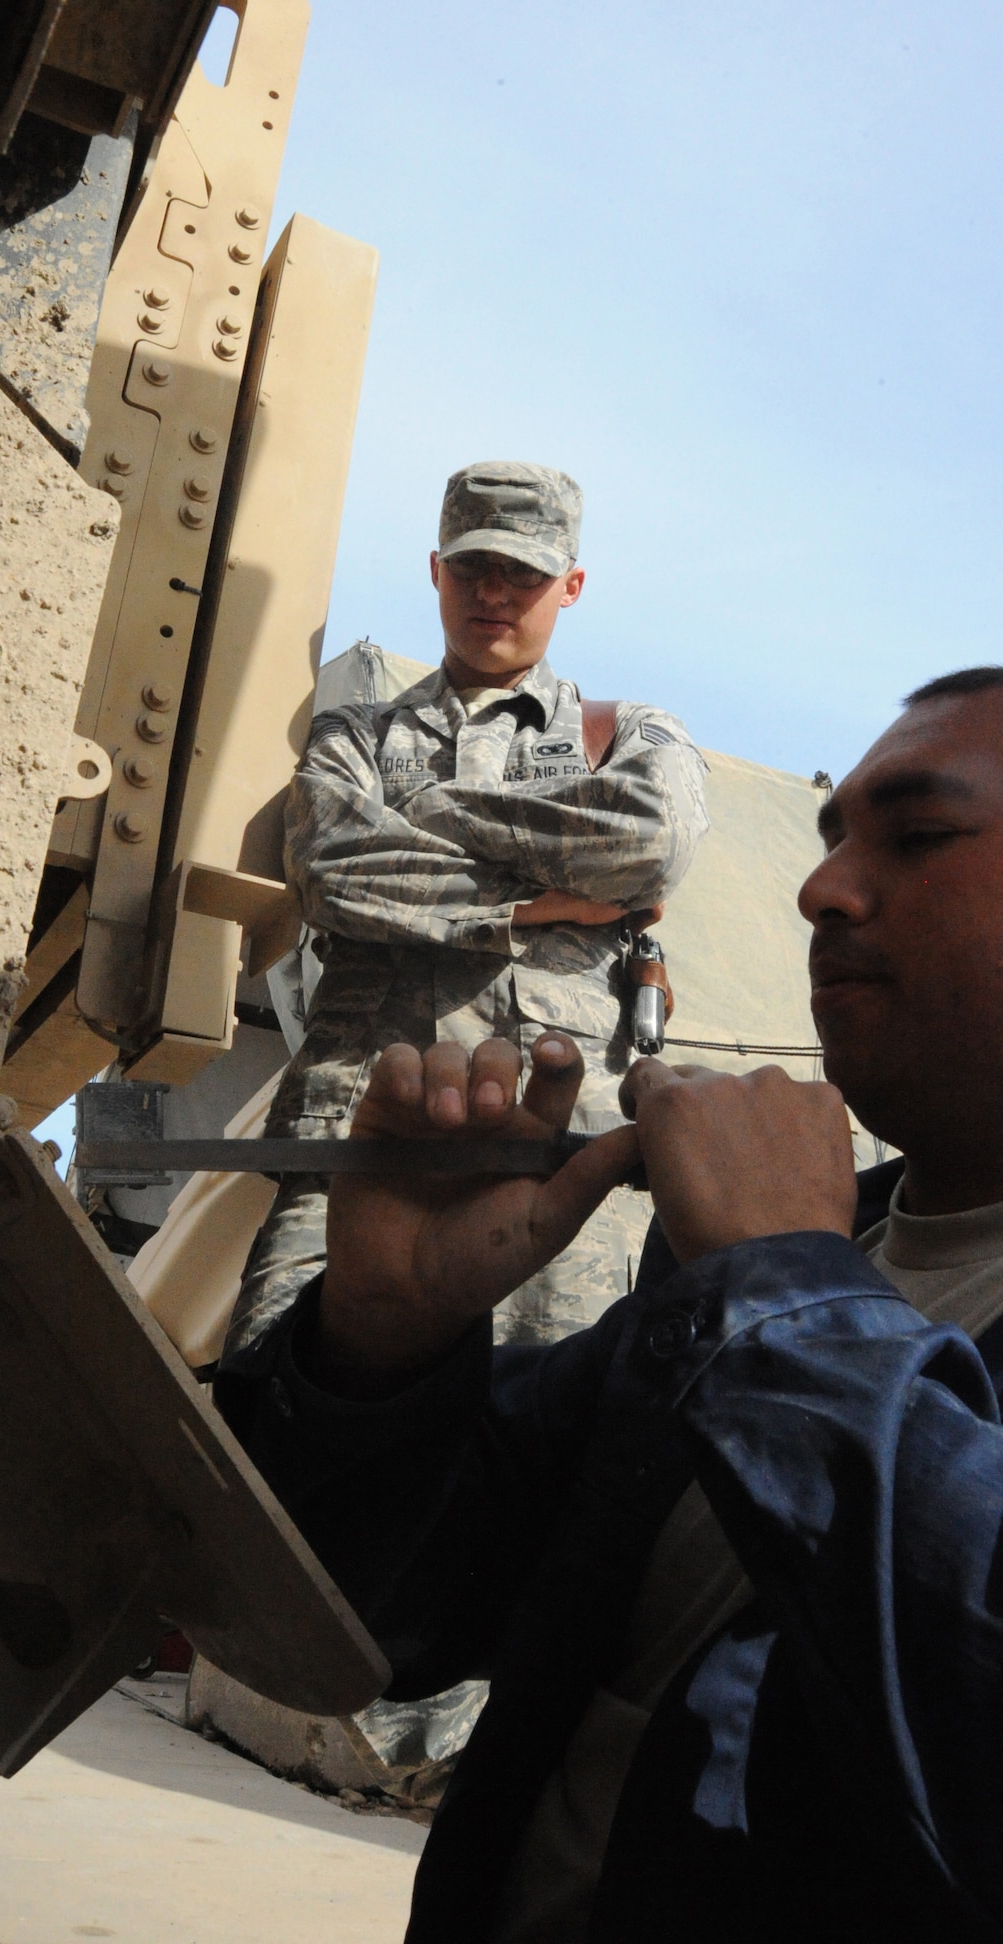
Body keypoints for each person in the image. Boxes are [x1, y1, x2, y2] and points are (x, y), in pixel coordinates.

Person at [215, 667, 1003, 1944]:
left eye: (916, 836)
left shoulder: (792, 1282)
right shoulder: (757, 1268)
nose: (824, 891)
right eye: (832, 841)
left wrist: (790, 1304)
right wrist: (381, 1352)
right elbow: (376, 1624)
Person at [226, 460, 709, 1354]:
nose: (494, 592)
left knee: (539, 1439)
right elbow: (332, 867)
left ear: (570, 585)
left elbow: (654, 842)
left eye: (523, 573)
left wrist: (433, 816)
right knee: (284, 1403)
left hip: (558, 1154)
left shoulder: (632, 732)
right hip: (362, 1138)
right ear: (435, 569)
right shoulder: (355, 735)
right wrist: (540, 907)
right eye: (472, 566)